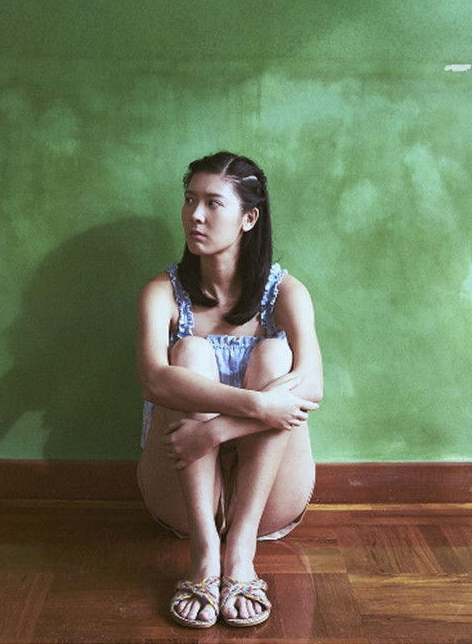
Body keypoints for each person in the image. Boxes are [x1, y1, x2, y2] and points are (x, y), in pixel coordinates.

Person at [136, 151, 323, 628]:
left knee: (274, 355)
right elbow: (153, 380)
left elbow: (312, 385)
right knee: (189, 354)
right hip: (182, 490)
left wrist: (215, 431)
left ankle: (240, 554)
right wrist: (256, 405)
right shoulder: (161, 292)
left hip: (268, 498)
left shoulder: (286, 293)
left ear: (248, 218)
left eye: (212, 203)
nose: (194, 215)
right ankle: (204, 556)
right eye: (189, 200)